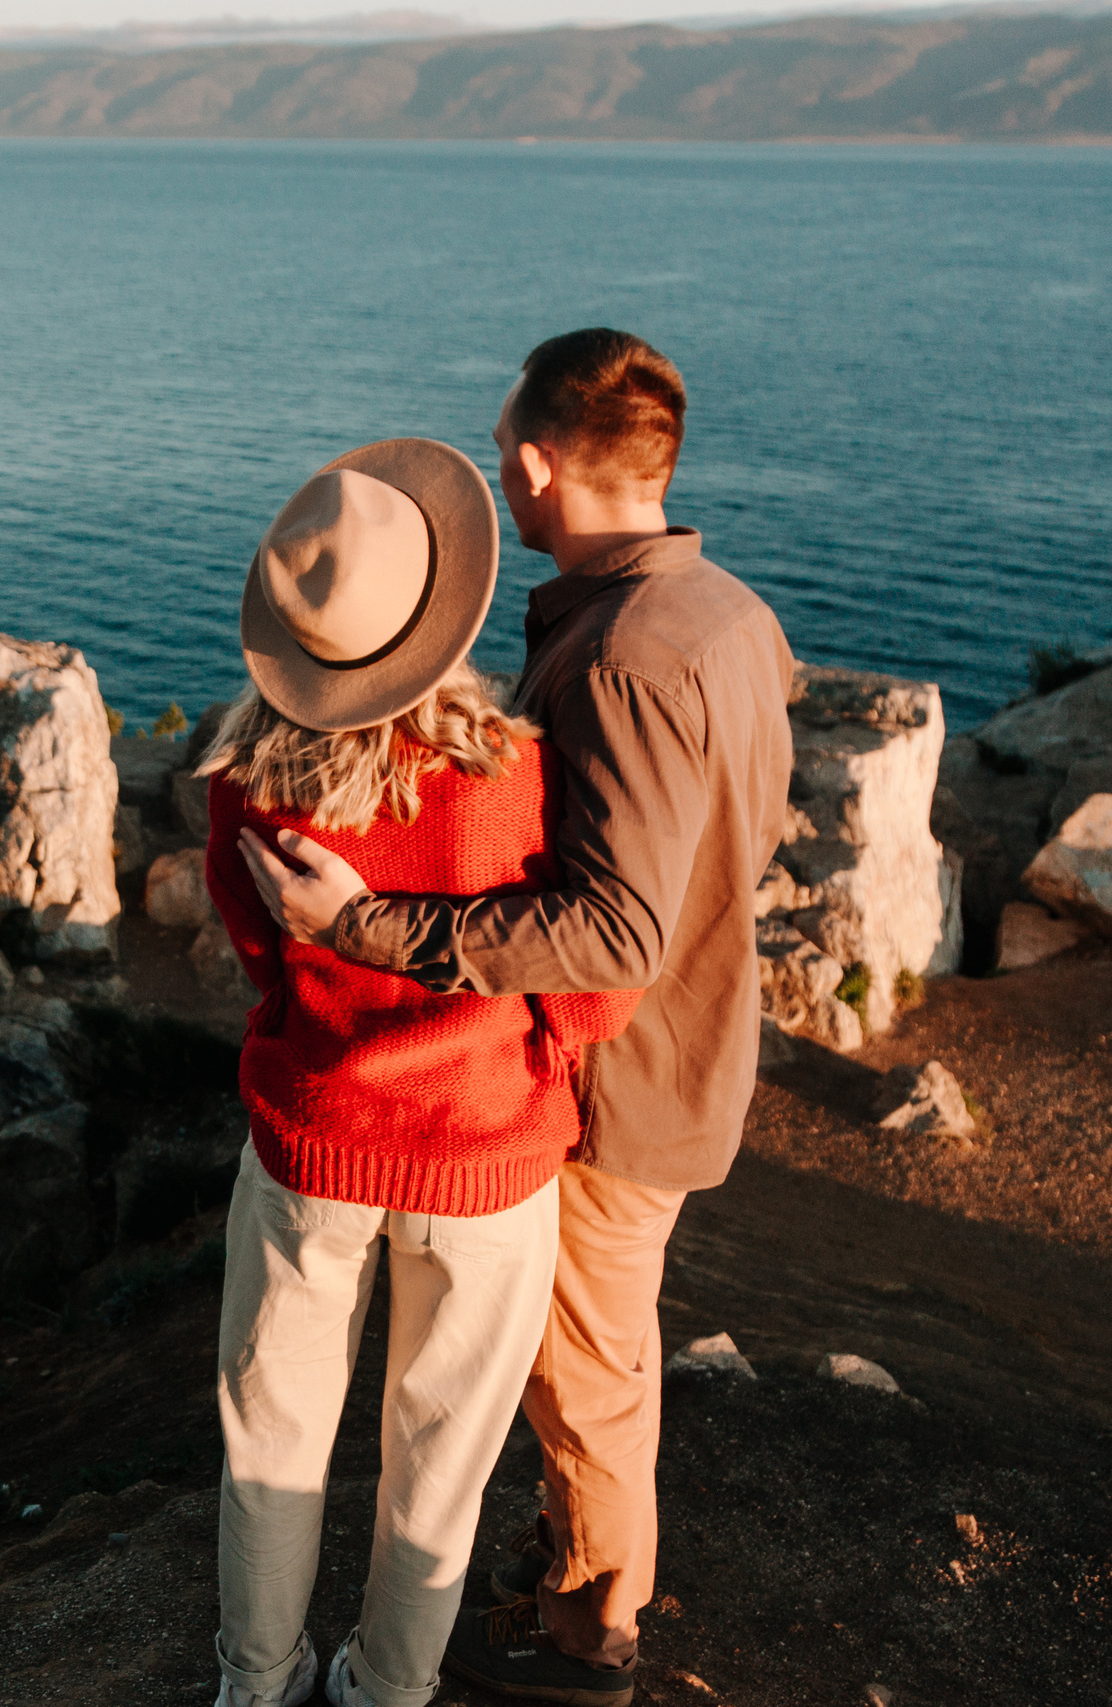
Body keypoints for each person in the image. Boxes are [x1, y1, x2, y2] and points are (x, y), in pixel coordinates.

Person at [235, 330, 795, 1707]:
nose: (502, 474)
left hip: (620, 1073)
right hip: (673, 1043)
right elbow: (734, 831)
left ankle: (585, 1635)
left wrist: (358, 921)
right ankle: (519, 1596)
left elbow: (610, 936)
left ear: (541, 464)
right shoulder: (731, 615)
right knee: (532, 1381)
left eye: (501, 456)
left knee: (587, 1374)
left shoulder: (615, 663)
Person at [200, 435, 640, 1707]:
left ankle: (255, 1684)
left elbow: (258, 963)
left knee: (270, 1445)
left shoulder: (248, 785)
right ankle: (387, 1690)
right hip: (486, 1160)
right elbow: (594, 988)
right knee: (439, 1461)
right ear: (439, 619)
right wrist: (531, 1067)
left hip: (309, 1145)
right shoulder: (517, 780)